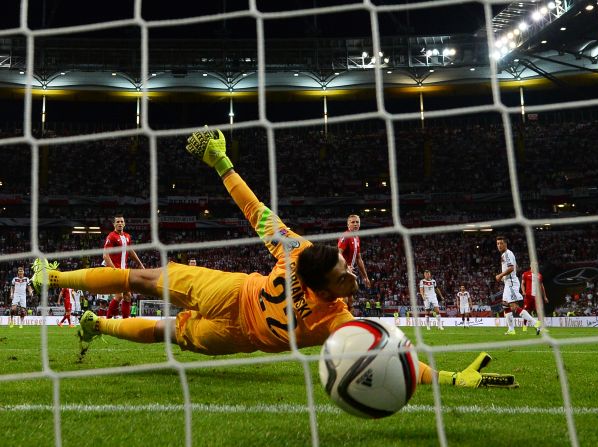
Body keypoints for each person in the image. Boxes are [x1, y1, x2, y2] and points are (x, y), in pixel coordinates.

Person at [31, 127, 514, 389]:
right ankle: (53, 276)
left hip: (237, 334)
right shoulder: (323, 298)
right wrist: (221, 163)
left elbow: (394, 361)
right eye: (344, 274)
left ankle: (97, 324)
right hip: (232, 292)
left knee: (167, 332)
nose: (352, 275)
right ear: (324, 285)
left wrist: (451, 378)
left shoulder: (330, 305)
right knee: (140, 280)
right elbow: (252, 209)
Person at [103, 215, 146, 319]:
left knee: (127, 297)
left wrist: (140, 264)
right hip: (115, 270)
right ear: (114, 224)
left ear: (124, 224)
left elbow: (130, 251)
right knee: (119, 296)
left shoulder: (127, 236)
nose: (120, 223)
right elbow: (105, 255)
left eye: (122, 221)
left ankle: (124, 321)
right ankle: (107, 319)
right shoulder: (111, 236)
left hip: (124, 271)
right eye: (117, 222)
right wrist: (113, 269)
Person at [495, 236, 537, 335]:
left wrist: (500, 275)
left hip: (511, 283)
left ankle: (535, 323)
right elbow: (516, 267)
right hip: (508, 282)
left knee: (513, 306)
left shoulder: (507, 254)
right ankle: (511, 329)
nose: (499, 245)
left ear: (505, 244)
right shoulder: (506, 254)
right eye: (497, 244)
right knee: (505, 305)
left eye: (501, 243)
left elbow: (511, 268)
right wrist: (505, 277)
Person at [337, 214, 371, 309]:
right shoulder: (346, 236)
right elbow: (338, 254)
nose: (355, 224)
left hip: (349, 271)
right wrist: (345, 267)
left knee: (350, 299)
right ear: (348, 224)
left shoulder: (356, 238)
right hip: (342, 270)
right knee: (345, 298)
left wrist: (365, 277)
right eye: (352, 222)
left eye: (357, 222)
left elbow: (359, 259)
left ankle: (348, 319)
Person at [519, 267, 547, 334]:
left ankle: (539, 327)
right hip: (528, 296)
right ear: (531, 266)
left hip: (537, 297)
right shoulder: (525, 274)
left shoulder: (539, 275)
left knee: (539, 311)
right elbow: (522, 283)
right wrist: (523, 291)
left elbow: (542, 286)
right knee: (526, 311)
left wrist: (545, 297)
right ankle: (525, 327)